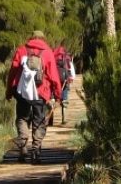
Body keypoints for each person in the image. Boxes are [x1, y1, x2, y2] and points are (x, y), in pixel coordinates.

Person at [6, 30, 61, 163]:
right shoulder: (47, 52)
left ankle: (23, 147)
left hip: (22, 93)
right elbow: (54, 76)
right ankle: (36, 152)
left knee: (22, 119)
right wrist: (58, 95)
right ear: (43, 39)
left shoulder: (21, 50)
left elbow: (12, 72)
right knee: (39, 121)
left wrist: (9, 91)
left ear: (31, 38)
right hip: (41, 94)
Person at [53, 44, 75, 108]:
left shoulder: (54, 56)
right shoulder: (67, 58)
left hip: (56, 77)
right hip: (65, 77)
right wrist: (72, 78)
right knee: (65, 86)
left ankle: (55, 98)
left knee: (56, 86)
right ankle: (64, 99)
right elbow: (71, 69)